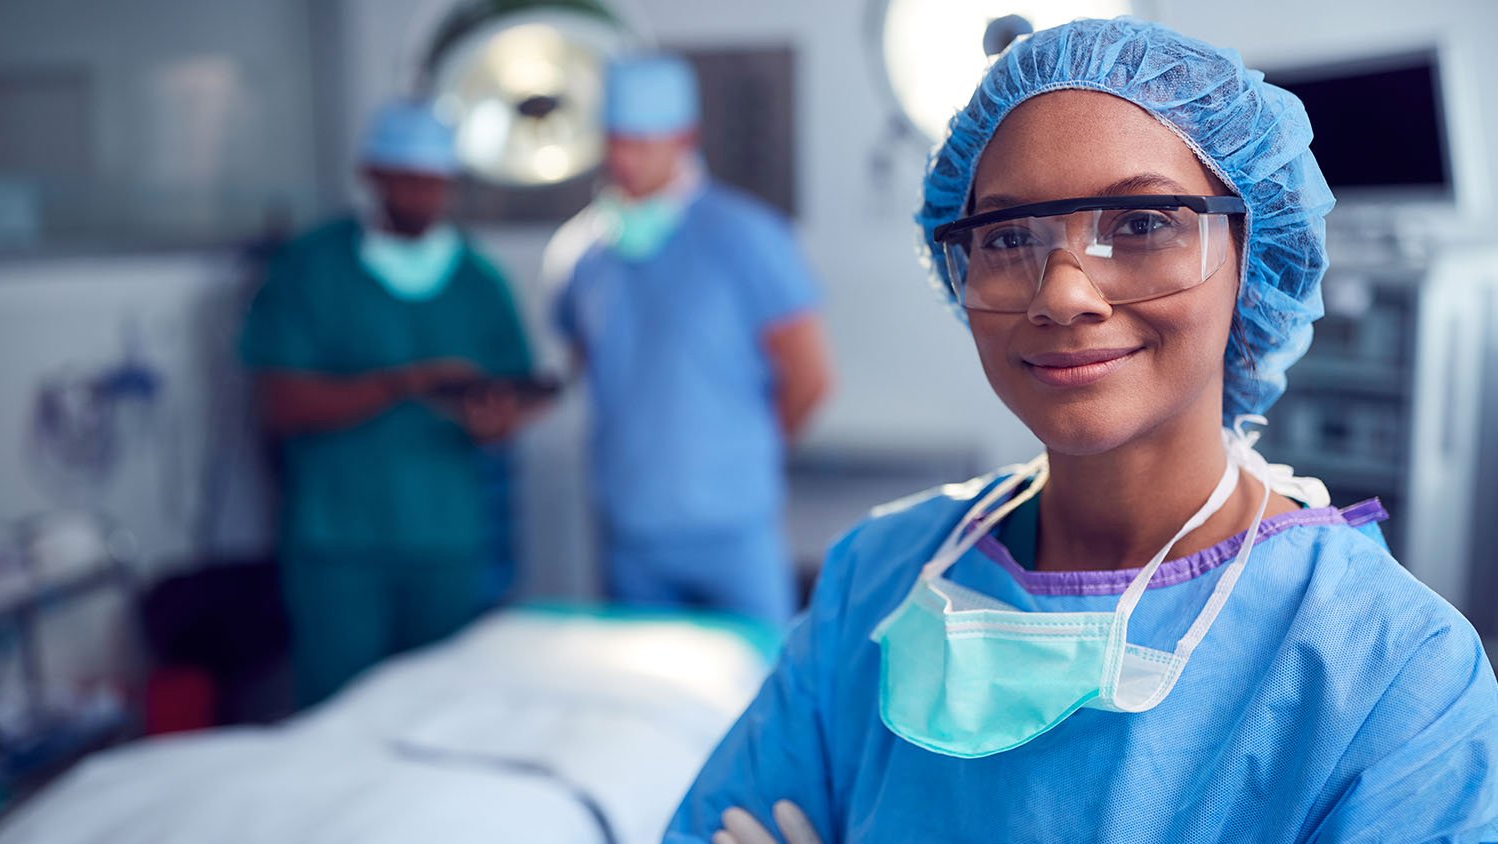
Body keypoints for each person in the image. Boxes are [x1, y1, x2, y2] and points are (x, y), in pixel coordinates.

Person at [668, 18, 1498, 842]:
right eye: (1008, 236)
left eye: (1141, 223)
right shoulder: (877, 581)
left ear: (1254, 254)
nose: (1062, 294)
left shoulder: (1393, 671)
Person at [240, 100, 544, 706]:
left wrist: (494, 420)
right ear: (372, 176)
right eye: (406, 180)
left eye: (435, 183)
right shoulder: (312, 268)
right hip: (339, 544)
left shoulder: (479, 282)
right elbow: (280, 404)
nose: (422, 197)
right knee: (337, 717)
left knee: (444, 712)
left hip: (447, 541)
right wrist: (404, 382)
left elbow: (514, 394)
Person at [547, 55, 833, 626]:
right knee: (640, 700)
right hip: (630, 531)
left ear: (685, 138)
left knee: (756, 688)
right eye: (616, 142)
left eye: (643, 143)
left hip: (732, 528)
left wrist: (735, 452)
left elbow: (810, 379)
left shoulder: (746, 238)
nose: (624, 160)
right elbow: (581, 365)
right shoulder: (583, 252)